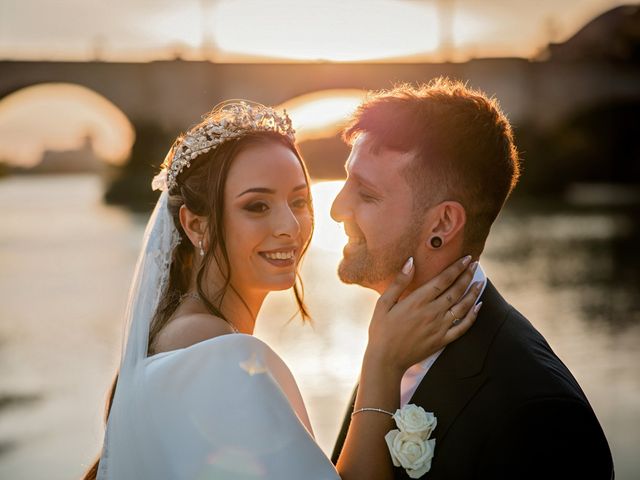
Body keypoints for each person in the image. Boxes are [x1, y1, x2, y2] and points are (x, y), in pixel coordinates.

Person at [83, 101, 483, 480]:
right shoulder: (223, 356)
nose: (289, 226)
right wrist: (381, 362)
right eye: (257, 206)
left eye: (298, 201)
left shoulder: (177, 336)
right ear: (196, 225)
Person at [330, 79, 614, 479]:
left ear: (443, 223)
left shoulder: (538, 415)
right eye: (347, 182)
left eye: (367, 194)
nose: (337, 209)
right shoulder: (391, 343)